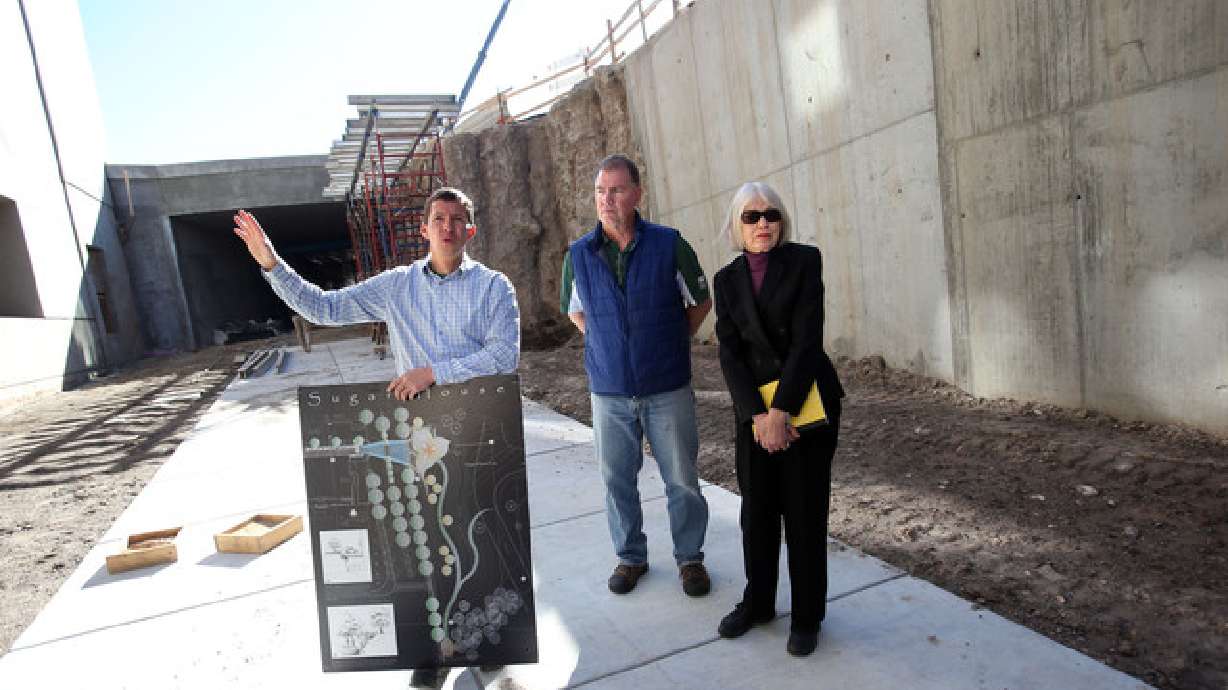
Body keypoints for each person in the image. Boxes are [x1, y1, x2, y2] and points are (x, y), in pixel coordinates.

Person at [233, 187, 520, 688]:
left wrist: (435, 372)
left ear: (470, 230)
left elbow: (504, 357)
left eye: (458, 219)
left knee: (480, 537)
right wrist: (273, 264)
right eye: (439, 219)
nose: (448, 227)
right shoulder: (397, 286)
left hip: (481, 429)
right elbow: (323, 308)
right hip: (419, 433)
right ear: (425, 230)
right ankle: (431, 652)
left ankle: (481, 641)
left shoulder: (495, 288)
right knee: (425, 542)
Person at [559, 154, 712, 597]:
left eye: (617, 190)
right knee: (615, 479)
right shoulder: (578, 255)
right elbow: (575, 312)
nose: (607, 200)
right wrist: (611, 344)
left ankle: (690, 559)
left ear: (637, 193)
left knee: (681, 477)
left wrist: (668, 340)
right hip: (608, 391)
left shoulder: (669, 244)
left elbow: (699, 300)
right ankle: (630, 557)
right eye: (601, 191)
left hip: (667, 386)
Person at [711, 181, 845, 657]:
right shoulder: (725, 280)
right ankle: (759, 602)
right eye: (751, 216)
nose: (762, 223)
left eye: (770, 214)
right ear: (736, 225)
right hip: (755, 415)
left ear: (782, 221)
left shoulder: (805, 261)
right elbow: (729, 353)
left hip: (805, 404)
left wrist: (782, 411)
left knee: (805, 515)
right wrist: (758, 416)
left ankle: (808, 617)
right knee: (758, 515)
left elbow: (807, 341)